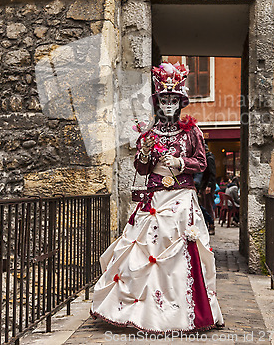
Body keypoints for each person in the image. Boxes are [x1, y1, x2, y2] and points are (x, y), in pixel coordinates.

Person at [91, 61, 224, 332]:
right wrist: (143, 153)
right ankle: (137, 310)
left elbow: (202, 162)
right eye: (164, 99)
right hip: (153, 198)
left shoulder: (192, 132)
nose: (169, 105)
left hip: (181, 199)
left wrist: (180, 163)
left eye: (173, 100)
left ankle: (179, 311)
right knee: (143, 251)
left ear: (180, 102)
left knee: (178, 251)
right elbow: (141, 168)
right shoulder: (148, 134)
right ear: (158, 102)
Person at [196, 144, 217, 235]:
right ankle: (207, 225)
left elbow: (212, 174)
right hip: (204, 185)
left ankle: (211, 225)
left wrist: (209, 185)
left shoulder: (209, 159)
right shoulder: (205, 159)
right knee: (204, 205)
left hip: (207, 186)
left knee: (208, 206)